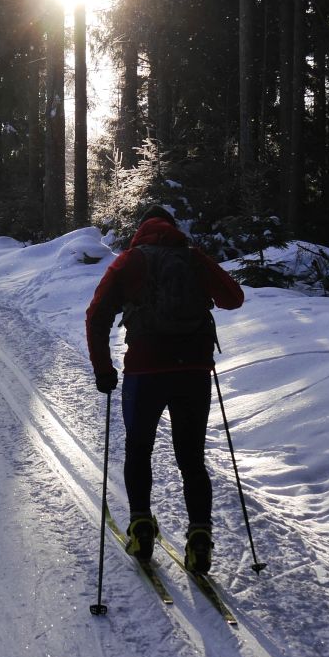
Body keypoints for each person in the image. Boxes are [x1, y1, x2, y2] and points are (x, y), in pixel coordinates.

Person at [84, 205, 244, 573]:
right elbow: (233, 298)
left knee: (139, 450)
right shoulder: (191, 258)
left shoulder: (130, 261)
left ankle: (141, 528)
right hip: (193, 371)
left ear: (142, 230)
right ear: (172, 229)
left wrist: (103, 369)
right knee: (191, 458)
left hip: (145, 370)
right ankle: (200, 539)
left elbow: (97, 314)